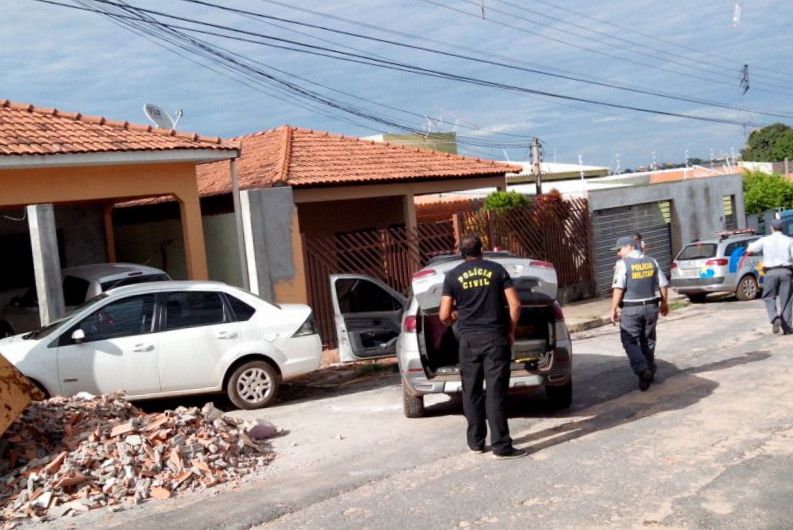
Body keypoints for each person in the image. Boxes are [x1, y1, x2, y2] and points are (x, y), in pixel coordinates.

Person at [439, 234, 524, 459]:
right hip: (495, 339)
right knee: (495, 393)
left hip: (468, 342)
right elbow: (515, 304)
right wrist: (510, 331)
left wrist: (458, 315)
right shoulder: (497, 270)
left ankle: (476, 443)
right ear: (482, 250)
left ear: (461, 253)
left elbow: (444, 315)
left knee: (471, 392)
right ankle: (501, 446)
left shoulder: (452, 276)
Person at [610, 235, 669, 391]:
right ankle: (649, 372)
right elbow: (663, 284)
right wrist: (664, 302)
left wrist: (613, 308)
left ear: (629, 247)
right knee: (648, 340)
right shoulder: (652, 261)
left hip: (631, 309)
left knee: (629, 340)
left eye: (619, 249)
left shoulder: (623, 264)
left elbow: (618, 288)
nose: (618, 253)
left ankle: (642, 369)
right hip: (651, 307)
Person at [745, 219, 793, 335]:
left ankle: (774, 318)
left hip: (770, 272)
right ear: (782, 228)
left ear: (771, 228)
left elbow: (750, 249)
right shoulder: (789, 240)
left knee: (768, 297)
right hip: (786, 272)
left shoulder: (765, 240)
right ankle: (786, 328)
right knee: (786, 300)